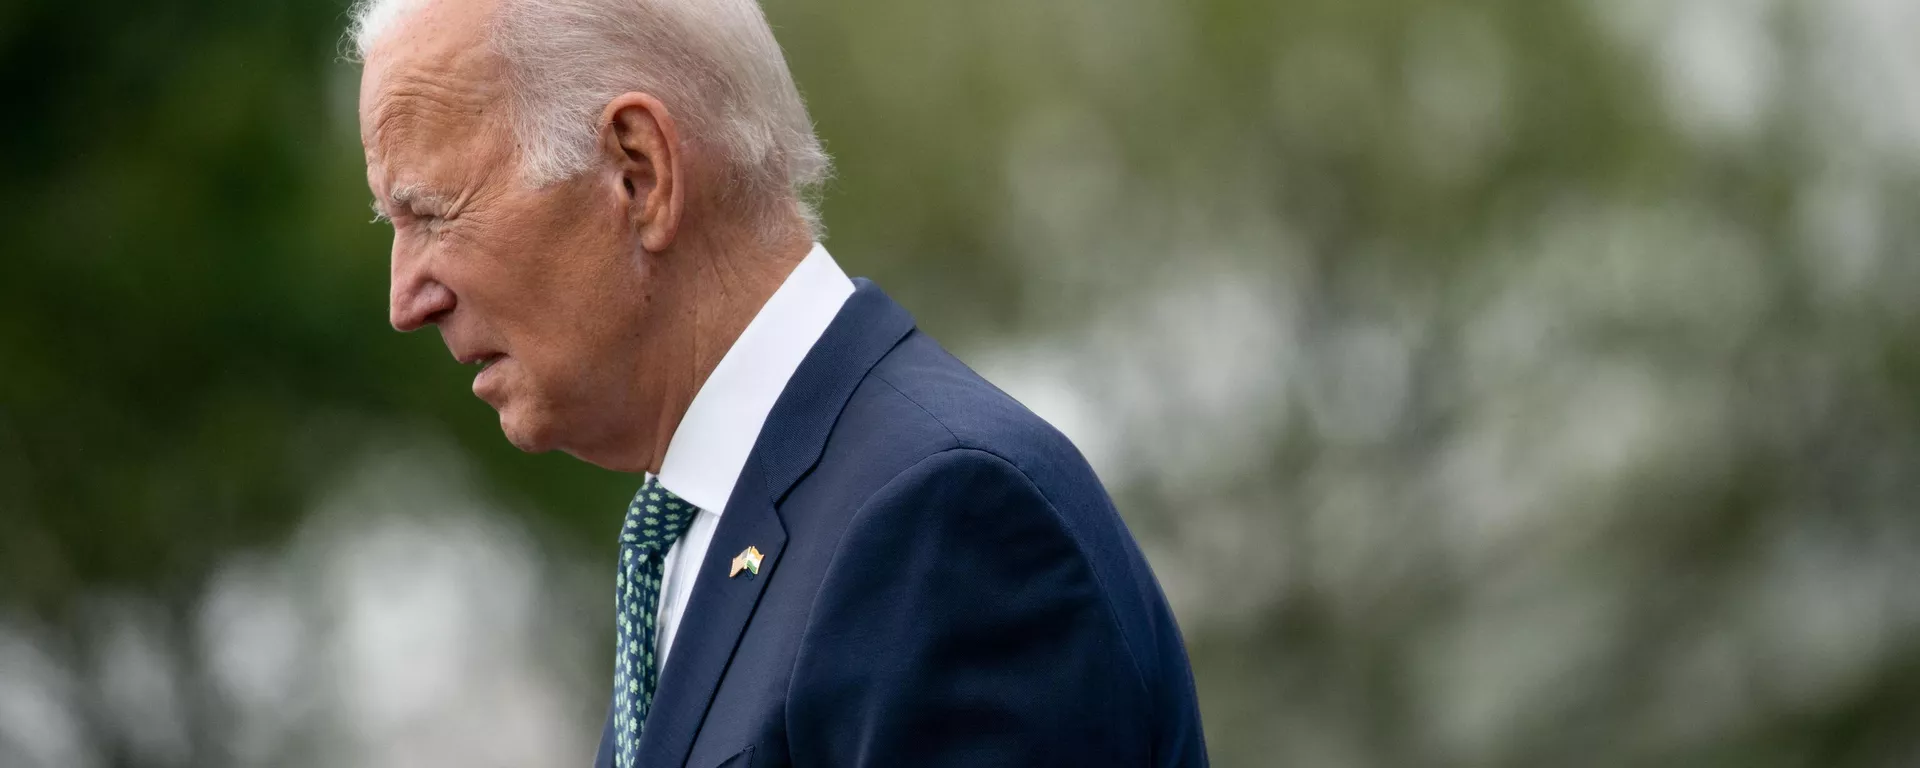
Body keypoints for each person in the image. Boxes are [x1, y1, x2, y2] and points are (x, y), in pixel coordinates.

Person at [349, 0, 1207, 764]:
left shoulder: (940, 521)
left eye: (430, 213)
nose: (405, 300)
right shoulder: (703, 530)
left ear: (637, 172)